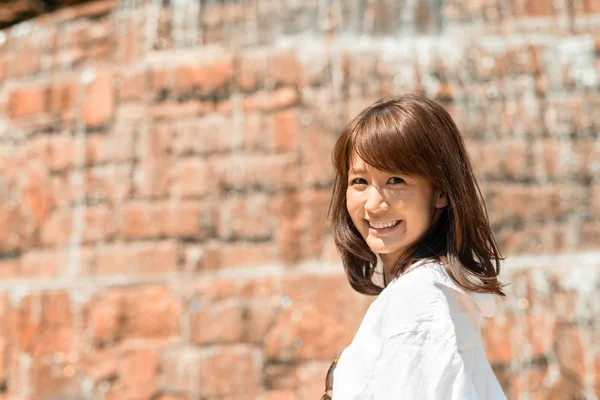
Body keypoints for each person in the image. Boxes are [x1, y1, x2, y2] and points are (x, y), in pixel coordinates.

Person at [323, 94, 509, 399]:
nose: (373, 204)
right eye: (359, 182)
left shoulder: (419, 301)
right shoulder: (425, 290)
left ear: (440, 193)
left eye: (396, 180)